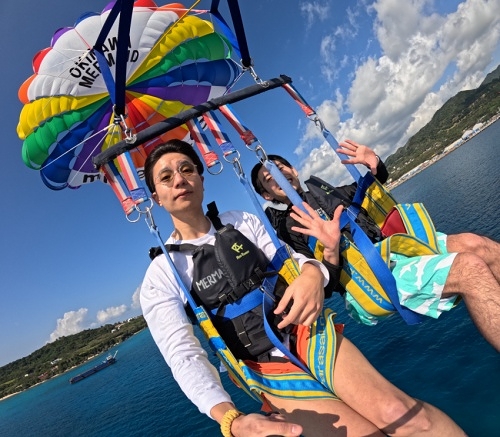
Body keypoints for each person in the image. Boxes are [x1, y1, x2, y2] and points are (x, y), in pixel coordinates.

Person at [140, 138, 466, 436]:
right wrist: (230, 419)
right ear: (156, 198)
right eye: (166, 177)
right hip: (264, 369)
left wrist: (312, 273)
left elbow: (292, 259)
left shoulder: (241, 221)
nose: (179, 179)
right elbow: (183, 355)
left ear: (200, 178)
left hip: (306, 331)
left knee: (400, 413)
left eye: (186, 169)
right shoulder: (161, 275)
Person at [251, 139, 500, 352]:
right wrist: (330, 247)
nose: (278, 175)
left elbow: (372, 186)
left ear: (293, 170)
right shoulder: (289, 230)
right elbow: (324, 287)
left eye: (280, 167)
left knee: (476, 243)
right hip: (369, 280)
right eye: (269, 179)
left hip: (393, 250)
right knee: (470, 268)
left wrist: (374, 163)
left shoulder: (329, 192)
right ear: (267, 196)